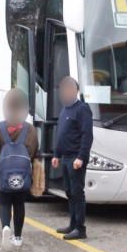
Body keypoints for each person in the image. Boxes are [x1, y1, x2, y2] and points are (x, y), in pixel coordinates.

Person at [0, 89, 39, 248]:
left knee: (5, 203)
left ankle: (5, 227)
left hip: (3, 174)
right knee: (19, 204)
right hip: (22, 174)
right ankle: (18, 237)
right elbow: (34, 152)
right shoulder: (30, 129)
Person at [51, 76, 93, 240]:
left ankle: (80, 228)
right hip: (65, 157)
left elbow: (87, 135)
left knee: (77, 192)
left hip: (76, 158)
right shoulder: (65, 109)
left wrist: (81, 157)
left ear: (76, 91)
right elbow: (61, 134)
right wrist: (56, 154)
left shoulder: (82, 109)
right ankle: (72, 224)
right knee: (69, 192)